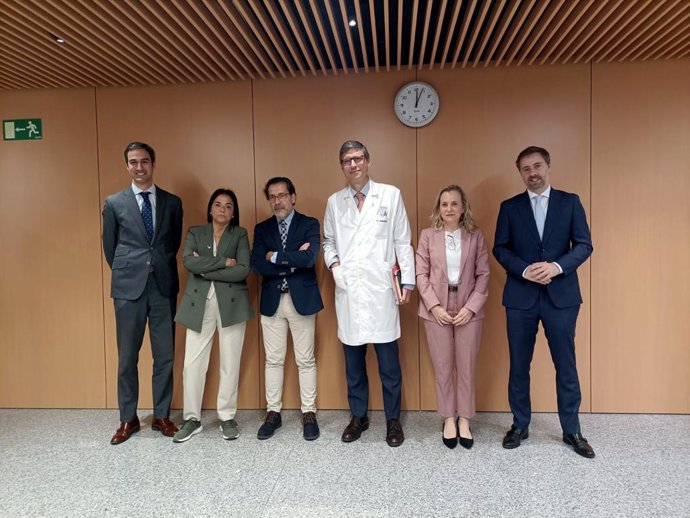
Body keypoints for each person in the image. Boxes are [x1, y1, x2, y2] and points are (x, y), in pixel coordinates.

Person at [493, 146, 595, 458]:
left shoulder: (570, 202)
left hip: (561, 297)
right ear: (520, 173)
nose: (533, 173)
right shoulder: (509, 207)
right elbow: (501, 248)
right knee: (519, 365)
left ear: (548, 166)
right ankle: (520, 424)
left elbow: (584, 244)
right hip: (521, 298)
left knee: (565, 364)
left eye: (537, 166)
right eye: (526, 168)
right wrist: (525, 270)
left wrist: (556, 266)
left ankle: (572, 430)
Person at [323, 140, 415, 447]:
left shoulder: (390, 195)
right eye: (347, 160)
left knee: (389, 366)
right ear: (342, 166)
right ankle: (358, 417)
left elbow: (403, 242)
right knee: (354, 365)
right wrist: (335, 266)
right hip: (349, 292)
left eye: (358, 158)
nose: (354, 164)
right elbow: (328, 242)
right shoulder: (335, 202)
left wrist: (408, 282)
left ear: (368, 161)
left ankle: (392, 421)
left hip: (382, 291)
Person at [102, 141, 183, 445]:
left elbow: (171, 243)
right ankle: (128, 418)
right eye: (133, 162)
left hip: (162, 286)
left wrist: (154, 265)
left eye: (145, 161)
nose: (139, 167)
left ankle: (161, 415)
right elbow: (110, 247)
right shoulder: (114, 203)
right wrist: (131, 269)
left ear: (153, 164)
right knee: (127, 358)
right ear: (127, 166)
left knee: (164, 356)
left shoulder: (172, 202)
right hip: (128, 288)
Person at [172, 189, 253, 443]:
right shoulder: (196, 232)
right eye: (218, 205)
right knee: (192, 364)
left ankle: (227, 417)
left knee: (230, 362)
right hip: (199, 304)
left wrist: (205, 268)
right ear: (210, 209)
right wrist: (222, 262)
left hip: (232, 305)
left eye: (229, 206)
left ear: (233, 212)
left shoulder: (239, 234)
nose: (222, 210)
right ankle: (192, 418)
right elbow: (188, 262)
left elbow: (242, 270)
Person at [416, 185, 489, 450]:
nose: (449, 209)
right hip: (436, 307)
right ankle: (448, 417)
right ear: (438, 208)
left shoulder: (475, 236)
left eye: (454, 204)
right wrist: (434, 306)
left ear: (463, 207)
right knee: (443, 366)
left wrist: (471, 307)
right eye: (444, 204)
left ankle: (465, 420)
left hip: (469, 304)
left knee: (466, 366)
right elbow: (420, 274)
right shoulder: (427, 236)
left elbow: (483, 274)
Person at [251, 177, 324, 441]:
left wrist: (277, 256)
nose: (277, 201)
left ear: (293, 197)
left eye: (282, 195)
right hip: (272, 301)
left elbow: (310, 258)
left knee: (305, 360)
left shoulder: (309, 224)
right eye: (272, 196)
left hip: (301, 300)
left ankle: (309, 413)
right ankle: (273, 413)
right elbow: (257, 265)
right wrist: (292, 259)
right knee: (274, 360)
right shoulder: (262, 229)